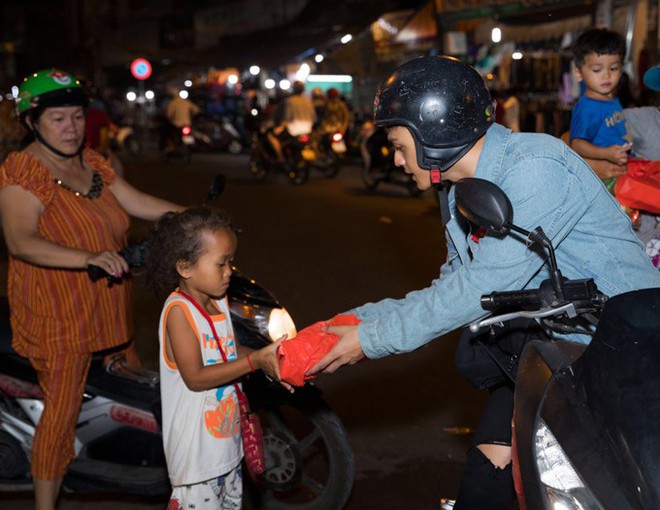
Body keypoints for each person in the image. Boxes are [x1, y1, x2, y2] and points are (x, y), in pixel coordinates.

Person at [306, 56, 660, 509]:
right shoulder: (458, 193)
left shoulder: (536, 167)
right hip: (554, 352)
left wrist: (369, 339)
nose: (395, 160)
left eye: (398, 145)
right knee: (481, 491)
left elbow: (476, 289)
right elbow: (453, 283)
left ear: (433, 132)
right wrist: (356, 323)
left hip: (627, 357)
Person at [0, 68, 185, 510]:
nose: (71, 128)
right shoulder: (22, 171)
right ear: (32, 123)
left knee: (136, 401)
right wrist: (86, 258)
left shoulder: (93, 163)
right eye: (58, 119)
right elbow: (21, 241)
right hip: (58, 317)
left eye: (77, 117)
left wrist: (192, 216)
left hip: (109, 312)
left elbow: (136, 202)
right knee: (59, 419)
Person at [145, 207, 289, 509]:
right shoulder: (178, 313)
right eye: (221, 264)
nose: (229, 272)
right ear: (185, 267)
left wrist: (276, 361)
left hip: (226, 448)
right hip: (196, 460)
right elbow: (195, 378)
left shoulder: (219, 300)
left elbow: (231, 350)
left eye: (231, 263)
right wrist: (255, 362)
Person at [569, 28, 633, 190]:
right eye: (597, 70)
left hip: (619, 173)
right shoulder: (587, 107)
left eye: (613, 68)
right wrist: (606, 154)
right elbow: (576, 144)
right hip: (603, 181)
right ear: (578, 73)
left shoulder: (612, 101)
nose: (606, 76)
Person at [267, 80, 316, 162]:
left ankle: (280, 157)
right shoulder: (308, 102)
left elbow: (287, 117)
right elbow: (314, 118)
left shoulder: (289, 101)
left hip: (293, 131)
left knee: (272, 136)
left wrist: (280, 127)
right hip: (308, 131)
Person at [164, 86, 201, 152]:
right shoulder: (186, 102)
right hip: (187, 123)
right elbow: (197, 110)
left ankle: (172, 147)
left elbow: (168, 115)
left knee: (168, 133)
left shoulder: (173, 103)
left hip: (176, 125)